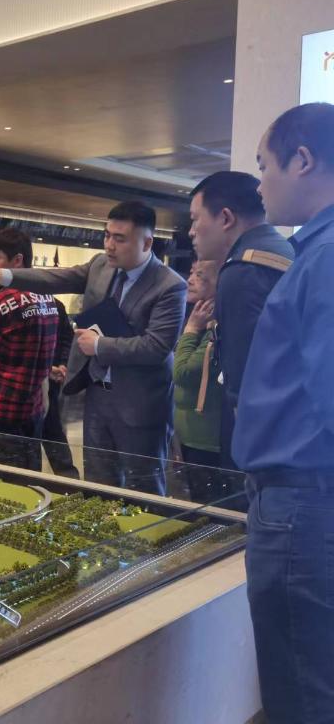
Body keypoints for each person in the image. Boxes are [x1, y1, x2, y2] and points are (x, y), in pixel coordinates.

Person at [0, 202, 187, 495]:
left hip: (140, 405)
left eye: (120, 238)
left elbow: (157, 346)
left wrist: (99, 345)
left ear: (146, 243)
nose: (109, 245)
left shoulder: (170, 285)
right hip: (97, 396)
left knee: (144, 488)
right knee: (98, 485)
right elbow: (54, 279)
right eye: (107, 235)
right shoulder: (101, 266)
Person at [232, 102, 334, 724]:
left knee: (301, 694)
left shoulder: (325, 259)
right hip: (305, 501)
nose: (260, 185)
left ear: (302, 160)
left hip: (304, 505)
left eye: (264, 166)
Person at [188, 170, 294, 470]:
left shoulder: (243, 271)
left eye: (195, 219)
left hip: (269, 440)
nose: (191, 231)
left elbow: (244, 374)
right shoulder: (283, 250)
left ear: (225, 218)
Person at [0, 229, 58, 470]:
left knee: (0, 473)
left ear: (17, 260)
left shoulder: (5, 298)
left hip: (2, 405)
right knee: (30, 471)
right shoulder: (48, 296)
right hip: (34, 405)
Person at [172, 260, 223, 502]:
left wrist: (191, 328)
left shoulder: (215, 326)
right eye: (191, 273)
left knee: (207, 507)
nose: (189, 280)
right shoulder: (202, 322)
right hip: (190, 435)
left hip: (206, 439)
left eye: (199, 276)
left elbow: (183, 373)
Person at [41, 297, 77, 477]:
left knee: (53, 432)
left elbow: (66, 337)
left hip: (49, 380)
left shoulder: (54, 304)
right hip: (37, 377)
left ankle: (68, 484)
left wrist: (62, 363)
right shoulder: (10, 302)